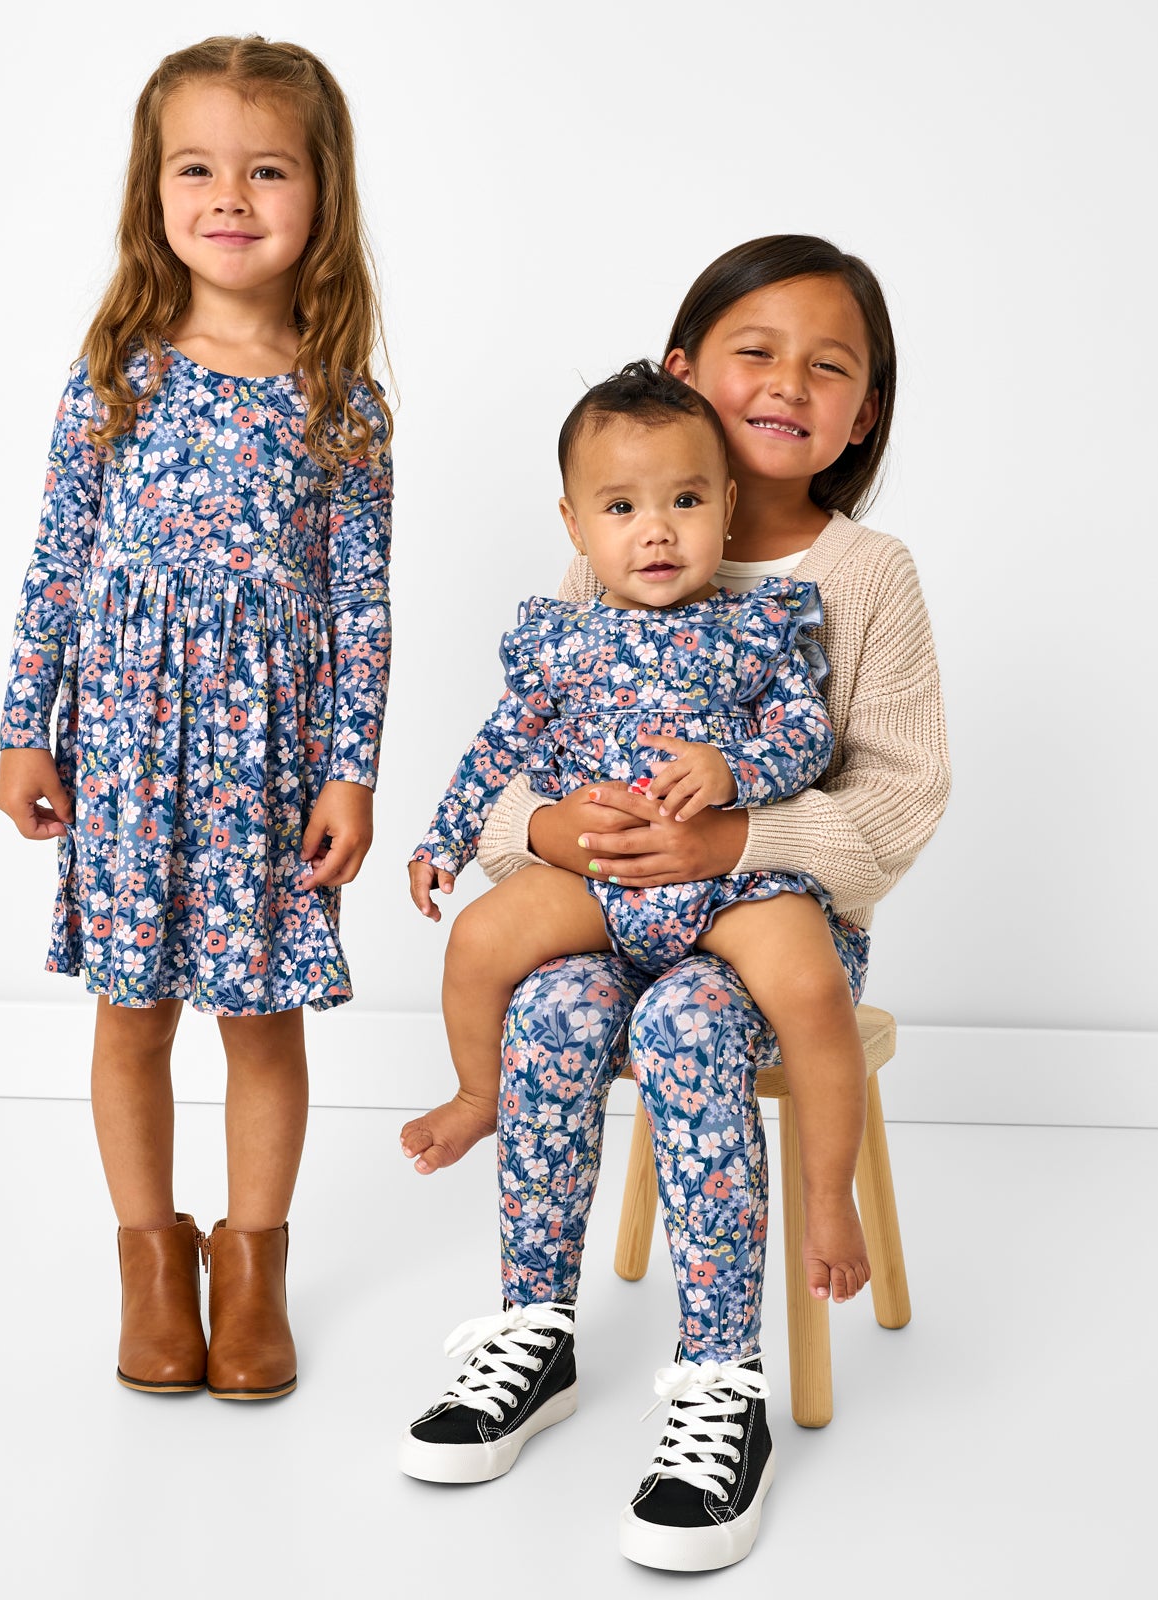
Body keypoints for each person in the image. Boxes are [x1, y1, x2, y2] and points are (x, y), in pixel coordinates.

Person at [398, 236, 949, 1575]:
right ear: (688, 369)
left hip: (768, 924)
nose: (788, 384)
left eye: (831, 367)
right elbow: (521, 755)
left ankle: (720, 1389)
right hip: (604, 905)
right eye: (754, 351)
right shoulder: (619, 536)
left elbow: (897, 802)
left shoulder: (862, 577)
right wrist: (532, 828)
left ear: (864, 411)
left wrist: (739, 835)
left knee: (693, 1028)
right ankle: (534, 1330)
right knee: (550, 1004)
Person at [0, 34, 392, 1402]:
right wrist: (22, 728)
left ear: (319, 195)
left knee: (262, 1018)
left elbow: (364, 606)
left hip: (267, 760)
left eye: (267, 168)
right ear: (153, 192)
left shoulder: (342, 405)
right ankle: (153, 1262)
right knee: (131, 1010)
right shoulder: (116, 372)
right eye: (199, 168)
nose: (231, 196)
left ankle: (255, 1260)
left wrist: (351, 774)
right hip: (124, 742)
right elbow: (54, 563)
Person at [404, 360, 871, 1305]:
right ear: (576, 526)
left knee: (812, 989)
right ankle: (476, 1094)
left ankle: (829, 1197)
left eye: (685, 500)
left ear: (726, 505)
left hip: (731, 886)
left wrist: (735, 773)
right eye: (620, 508)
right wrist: (441, 841)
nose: (656, 529)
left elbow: (809, 735)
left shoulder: (758, 629)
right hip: (600, 879)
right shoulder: (559, 640)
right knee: (478, 939)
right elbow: (500, 744)